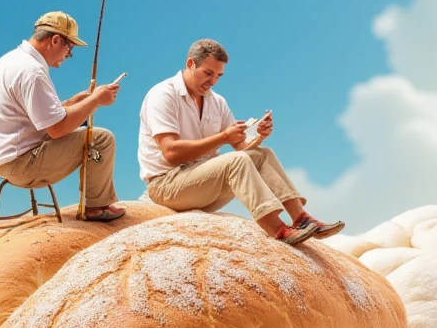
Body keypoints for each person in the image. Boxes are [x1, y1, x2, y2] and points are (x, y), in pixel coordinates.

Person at [138, 39, 344, 245]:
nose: (213, 81)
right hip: (166, 185)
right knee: (237, 162)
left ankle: (301, 219)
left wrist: (259, 136)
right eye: (208, 73)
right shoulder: (163, 95)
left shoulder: (216, 101)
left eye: (218, 76)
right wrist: (223, 137)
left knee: (262, 154)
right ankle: (277, 229)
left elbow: (242, 147)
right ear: (190, 64)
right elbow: (171, 152)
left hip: (200, 183)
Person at [0, 11, 126, 221]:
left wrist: (76, 102)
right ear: (55, 40)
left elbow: (38, 117)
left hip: (8, 158)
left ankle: (97, 204)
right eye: (69, 49)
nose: (68, 56)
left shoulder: (12, 61)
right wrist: (95, 100)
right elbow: (58, 129)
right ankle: (97, 207)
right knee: (102, 139)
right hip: (22, 163)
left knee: (87, 128)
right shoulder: (32, 72)